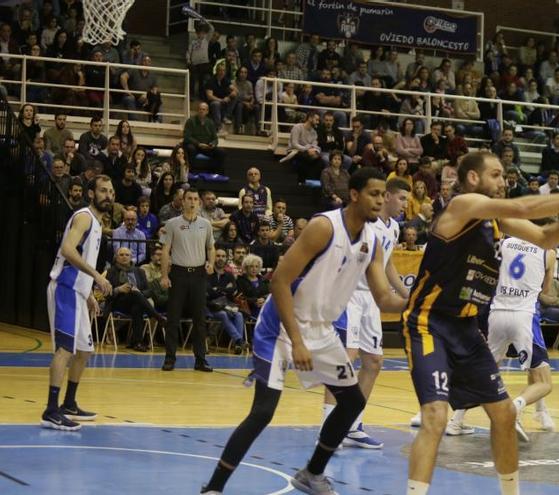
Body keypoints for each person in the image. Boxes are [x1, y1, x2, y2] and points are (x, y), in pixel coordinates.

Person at [404, 151, 559, 495]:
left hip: (467, 327)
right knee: (435, 416)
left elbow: (545, 239)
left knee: (505, 415)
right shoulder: (463, 204)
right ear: (472, 179)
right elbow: (525, 208)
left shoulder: (496, 221)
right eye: (495, 175)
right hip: (430, 322)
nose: (503, 181)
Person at [200, 168, 409, 495]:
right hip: (281, 327)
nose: (381, 200)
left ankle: (312, 473)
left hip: (320, 328)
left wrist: (418, 304)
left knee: (352, 401)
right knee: (263, 413)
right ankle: (213, 487)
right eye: (374, 194)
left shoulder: (373, 242)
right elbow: (280, 281)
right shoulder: (323, 227)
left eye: (384, 195)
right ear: (354, 195)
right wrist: (296, 341)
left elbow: (383, 296)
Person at [321, 177, 412, 449]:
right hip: (348, 295)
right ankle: (328, 428)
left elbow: (387, 266)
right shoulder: (360, 223)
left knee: (374, 361)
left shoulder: (394, 228)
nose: (405, 205)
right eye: (402, 199)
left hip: (372, 299)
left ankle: (353, 425)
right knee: (344, 360)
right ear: (388, 196)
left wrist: (407, 294)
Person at [448, 234, 559, 438]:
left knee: (485, 370)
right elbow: (546, 289)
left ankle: (456, 420)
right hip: (524, 317)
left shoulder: (505, 243)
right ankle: (515, 409)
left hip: (497, 313)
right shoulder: (549, 252)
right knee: (542, 380)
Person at [43, 175, 114, 431]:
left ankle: (69, 403)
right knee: (65, 350)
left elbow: (82, 260)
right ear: (91, 193)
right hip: (64, 289)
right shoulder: (84, 216)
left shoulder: (96, 223)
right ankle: (51, 410)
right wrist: (95, 278)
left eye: (111, 191)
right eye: (103, 191)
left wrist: (89, 294)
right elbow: (68, 250)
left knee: (84, 350)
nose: (109, 195)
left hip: (78, 293)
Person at [159, 188, 216, 372]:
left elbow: (211, 248)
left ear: (199, 202)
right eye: (189, 199)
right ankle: (169, 358)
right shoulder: (172, 224)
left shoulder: (206, 224)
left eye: (195, 199)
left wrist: (211, 263)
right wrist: (165, 275)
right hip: (178, 274)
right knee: (173, 318)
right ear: (182, 201)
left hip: (198, 274)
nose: (192, 202)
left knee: (199, 319)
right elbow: (165, 251)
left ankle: (200, 360)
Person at [106, 247, 165, 351]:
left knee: (137, 306)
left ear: (131, 257)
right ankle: (157, 317)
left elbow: (149, 291)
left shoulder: (139, 271)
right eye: (121, 255)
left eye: (127, 255)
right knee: (135, 296)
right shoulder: (111, 272)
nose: (124, 257)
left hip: (136, 302)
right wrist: (118, 289)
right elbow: (107, 294)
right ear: (116, 257)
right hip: (119, 302)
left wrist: (139, 292)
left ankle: (137, 342)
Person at [184, 102, 226, 174]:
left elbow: (215, 139)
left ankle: (216, 173)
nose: (201, 111)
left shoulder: (210, 122)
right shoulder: (190, 121)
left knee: (221, 151)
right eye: (200, 109)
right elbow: (187, 137)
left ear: (207, 111)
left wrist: (212, 144)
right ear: (198, 110)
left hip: (207, 147)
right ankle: (191, 172)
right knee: (190, 148)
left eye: (203, 109)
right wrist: (198, 144)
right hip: (195, 146)